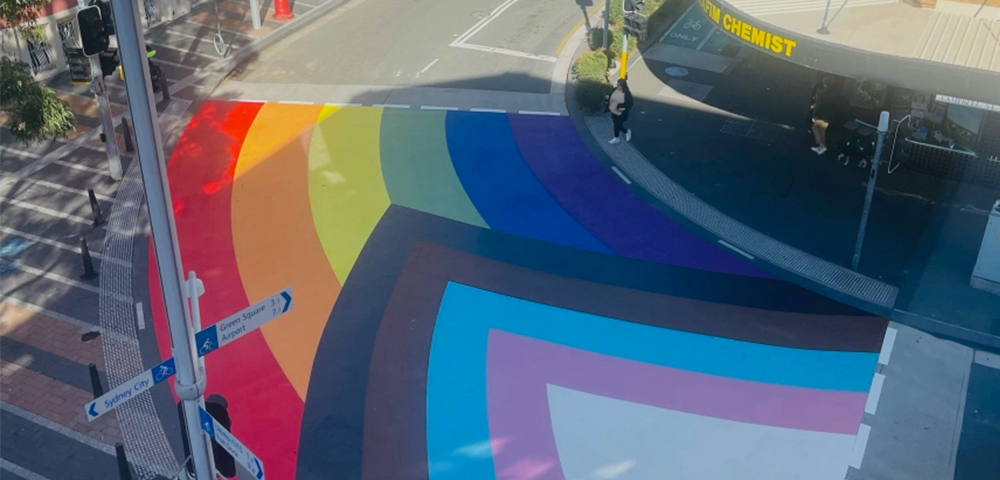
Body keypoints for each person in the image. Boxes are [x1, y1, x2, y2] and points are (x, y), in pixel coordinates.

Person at [811, 77, 834, 155]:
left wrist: (814, 114)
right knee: (822, 130)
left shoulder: (821, 92)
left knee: (815, 128)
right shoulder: (832, 93)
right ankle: (822, 146)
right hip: (828, 114)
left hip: (822, 113)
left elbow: (818, 104)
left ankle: (821, 146)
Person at [608, 78, 632, 144]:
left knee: (617, 125)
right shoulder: (614, 90)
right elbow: (611, 97)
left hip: (621, 113)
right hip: (613, 111)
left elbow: (629, 104)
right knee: (616, 124)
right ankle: (626, 132)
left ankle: (616, 138)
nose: (617, 86)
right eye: (617, 85)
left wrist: (619, 107)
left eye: (619, 85)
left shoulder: (627, 94)